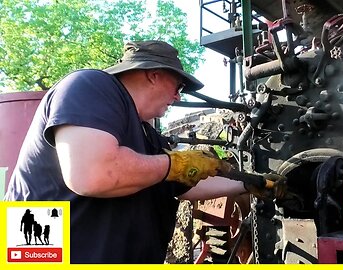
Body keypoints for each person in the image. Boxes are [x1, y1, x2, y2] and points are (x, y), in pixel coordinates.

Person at [4, 40, 285, 263]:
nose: (178, 97)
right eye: (178, 86)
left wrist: (251, 182)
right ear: (153, 75)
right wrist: (174, 164)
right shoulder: (89, 86)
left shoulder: (144, 134)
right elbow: (93, 174)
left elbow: (181, 183)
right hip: (48, 258)